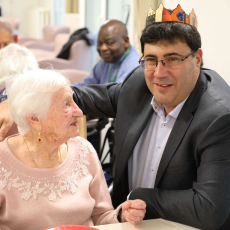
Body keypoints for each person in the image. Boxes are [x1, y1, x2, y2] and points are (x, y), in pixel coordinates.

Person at [0, 20, 229, 230]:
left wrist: (139, 198)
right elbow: (76, 96)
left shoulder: (218, 118)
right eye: (151, 60)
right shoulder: (139, 85)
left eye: (172, 59)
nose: (159, 72)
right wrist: (13, 102)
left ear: (197, 58)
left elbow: (210, 209)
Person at [0, 69, 146, 230]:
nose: (79, 112)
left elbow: (101, 216)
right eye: (66, 104)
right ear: (35, 119)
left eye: (74, 101)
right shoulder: (3, 163)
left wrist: (122, 216)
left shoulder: (84, 150)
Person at [74, 20, 139, 86]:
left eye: (109, 43)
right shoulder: (106, 61)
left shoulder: (134, 67)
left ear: (126, 41)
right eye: (99, 43)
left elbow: (118, 94)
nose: (103, 48)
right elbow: (86, 85)